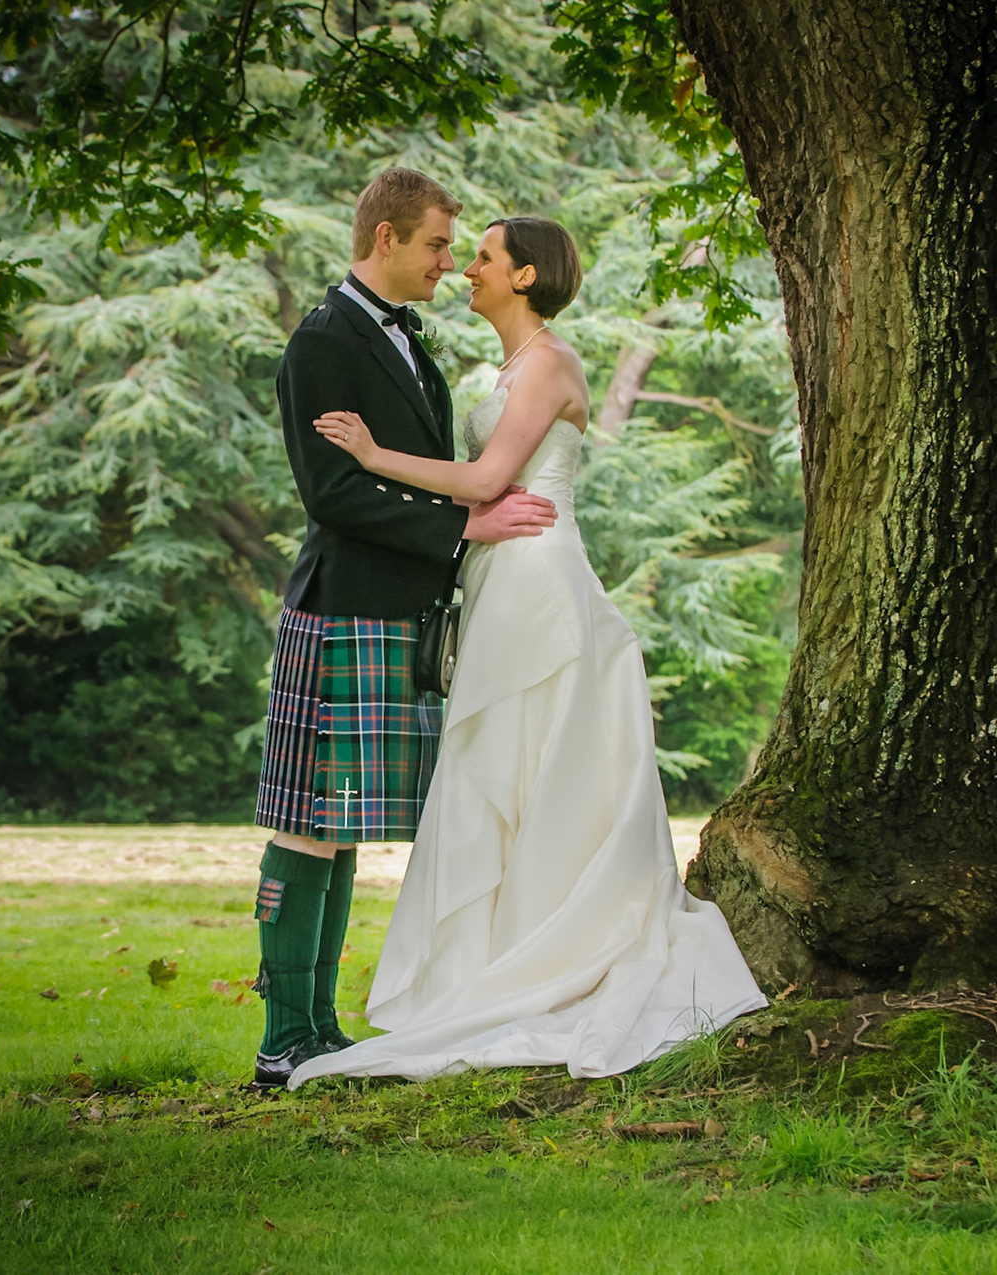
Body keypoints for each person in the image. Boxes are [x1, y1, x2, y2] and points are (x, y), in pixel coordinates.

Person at [288, 216, 767, 1087]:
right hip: (497, 579)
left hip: (539, 578)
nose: (465, 267)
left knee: (534, 760)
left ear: (526, 274)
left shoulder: (551, 362)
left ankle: (554, 949)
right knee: (493, 767)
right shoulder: (507, 367)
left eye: (482, 256)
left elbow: (482, 482)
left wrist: (370, 452)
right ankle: (491, 955)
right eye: (459, 252)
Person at [249, 170, 561, 1089]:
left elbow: (425, 467)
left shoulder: (408, 341)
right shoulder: (323, 339)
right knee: (306, 823)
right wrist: (464, 528)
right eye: (434, 245)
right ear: (384, 238)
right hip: (341, 607)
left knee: (339, 826)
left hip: (396, 611)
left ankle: (321, 1026)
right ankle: (281, 1035)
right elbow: (332, 490)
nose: (447, 265)